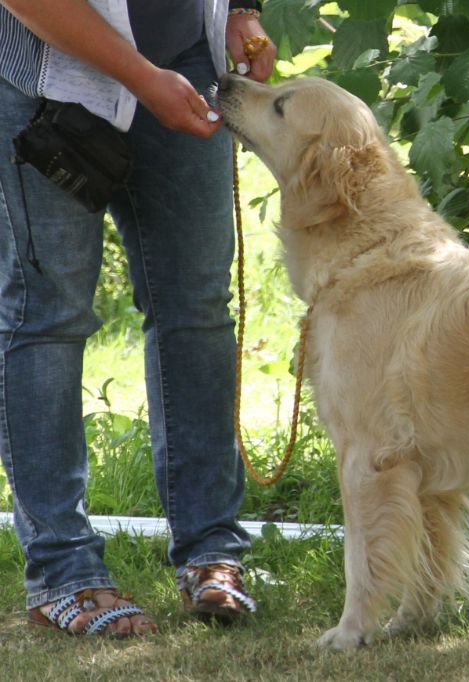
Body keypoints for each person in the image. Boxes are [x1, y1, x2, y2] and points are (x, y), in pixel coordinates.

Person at [0, 0, 276, 636]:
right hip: (46, 69)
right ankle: (63, 572)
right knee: (49, 314)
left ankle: (212, 552)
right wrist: (140, 77)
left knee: (198, 306)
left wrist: (240, 9)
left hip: (185, 56)